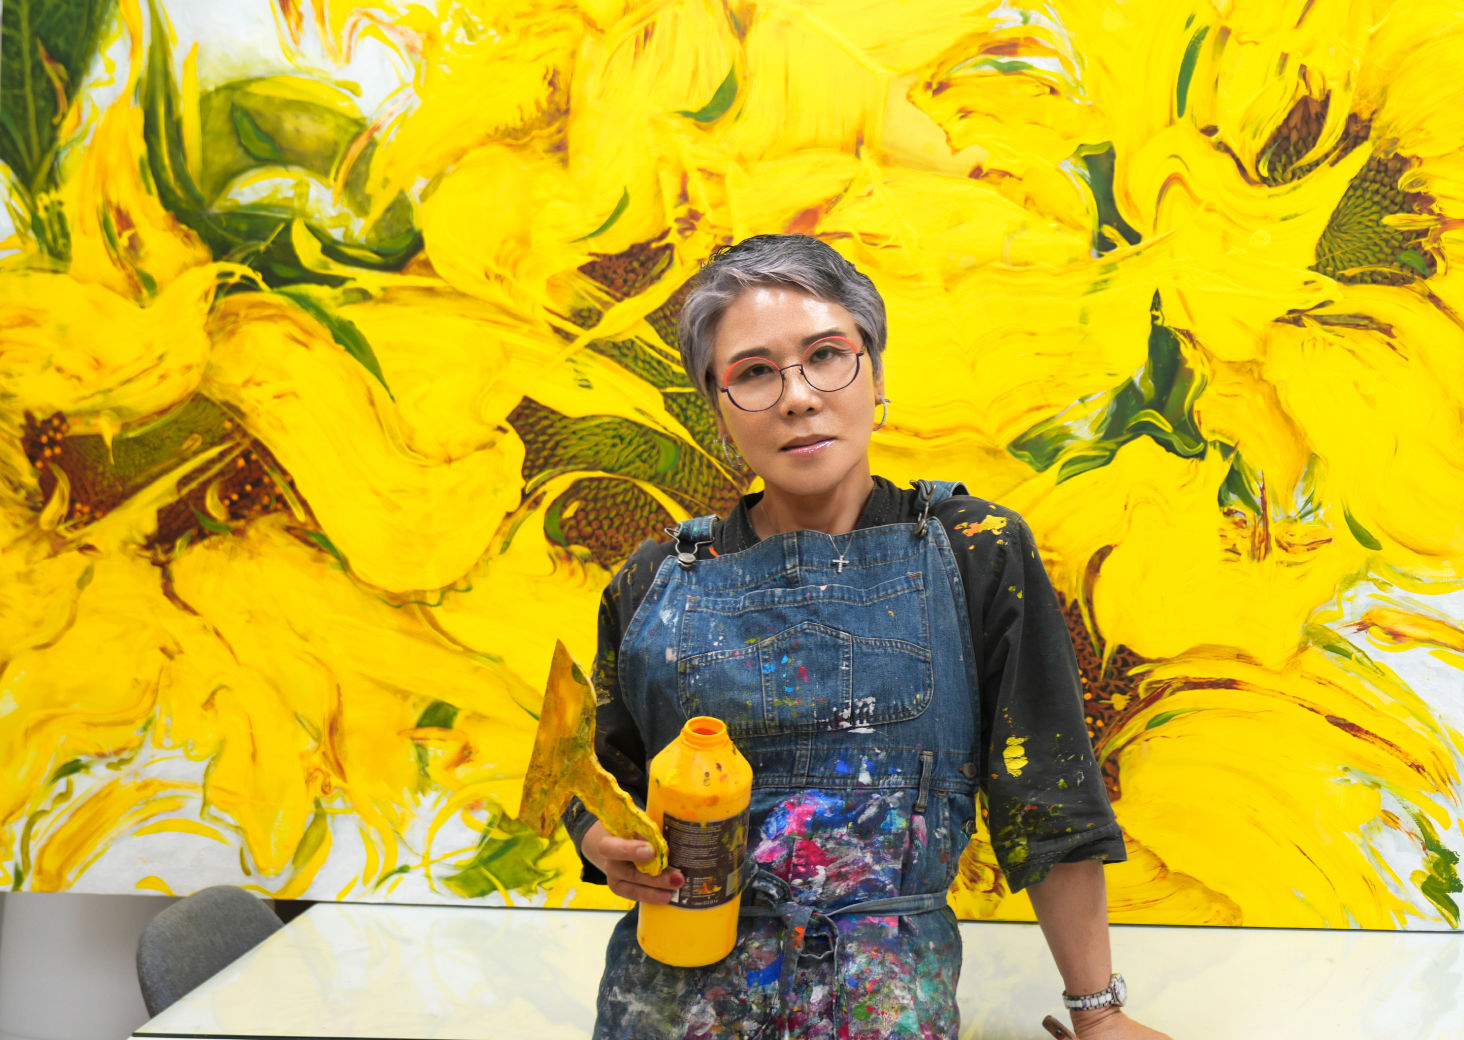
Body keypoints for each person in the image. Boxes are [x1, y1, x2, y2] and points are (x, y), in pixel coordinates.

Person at [563, 234, 1172, 1040]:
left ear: (876, 376)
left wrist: (1098, 1015)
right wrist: (599, 840)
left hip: (882, 1013)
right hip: (673, 1011)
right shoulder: (652, 581)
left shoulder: (975, 551)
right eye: (754, 373)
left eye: (825, 356)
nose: (797, 397)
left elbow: (1047, 800)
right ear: (718, 408)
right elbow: (596, 778)